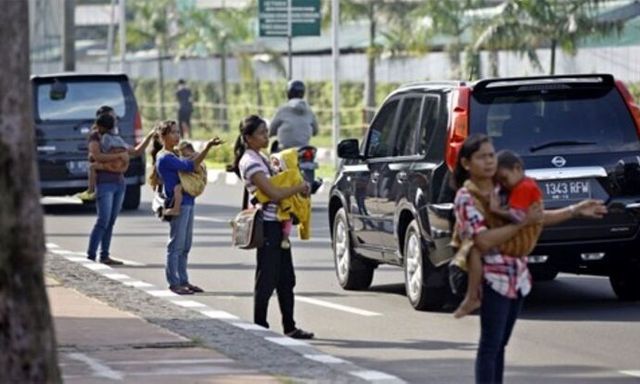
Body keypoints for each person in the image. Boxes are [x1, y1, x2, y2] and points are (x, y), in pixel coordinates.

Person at [451, 134, 606, 384]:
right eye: (482, 157)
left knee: (500, 344)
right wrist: (522, 223)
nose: (489, 161)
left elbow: (536, 216)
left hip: (518, 275)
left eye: (491, 155)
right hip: (493, 278)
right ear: (467, 164)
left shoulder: (503, 187)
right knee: (490, 345)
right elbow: (482, 240)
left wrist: (574, 211)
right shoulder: (466, 198)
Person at [228, 114, 314, 339]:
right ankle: (260, 326)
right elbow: (273, 192)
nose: (267, 136)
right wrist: (298, 188)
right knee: (266, 278)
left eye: (267, 132)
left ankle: (290, 326)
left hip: (279, 225)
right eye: (261, 133)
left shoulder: (261, 157)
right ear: (248, 138)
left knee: (286, 278)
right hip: (267, 226)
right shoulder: (250, 162)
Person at [453, 149, 543, 318]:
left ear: (517, 168)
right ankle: (472, 295)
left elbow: (519, 216)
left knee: (475, 248)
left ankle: (472, 296)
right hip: (518, 256)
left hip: (515, 248)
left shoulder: (523, 188)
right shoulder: (522, 185)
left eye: (504, 179)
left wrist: (496, 210)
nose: (504, 184)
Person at [156, 120, 223, 295]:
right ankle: (174, 282)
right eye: (173, 133)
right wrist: (207, 147)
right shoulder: (166, 158)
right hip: (180, 204)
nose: (177, 136)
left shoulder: (174, 155)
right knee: (176, 246)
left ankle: (183, 280)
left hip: (188, 201)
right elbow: (191, 166)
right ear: (163, 137)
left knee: (185, 245)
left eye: (178, 132)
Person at [86, 107, 156, 265]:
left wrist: (150, 135)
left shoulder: (114, 137)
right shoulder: (95, 138)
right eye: (111, 117)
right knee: (103, 220)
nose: (114, 121)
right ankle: (91, 255)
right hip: (104, 183)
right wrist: (119, 155)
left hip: (119, 182)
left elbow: (135, 151)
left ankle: (104, 255)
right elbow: (96, 156)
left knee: (110, 221)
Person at [163, 140, 209, 217]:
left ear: (189, 149)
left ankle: (176, 209)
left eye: (184, 153)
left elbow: (190, 164)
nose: (183, 155)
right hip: (194, 183)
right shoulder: (191, 157)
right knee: (178, 189)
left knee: (177, 188)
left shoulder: (195, 156)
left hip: (195, 182)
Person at [269, 80, 319, 151]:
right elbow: (316, 131)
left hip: (285, 150)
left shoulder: (283, 110)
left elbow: (271, 130)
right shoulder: (309, 110)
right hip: (304, 150)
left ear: (288, 93)